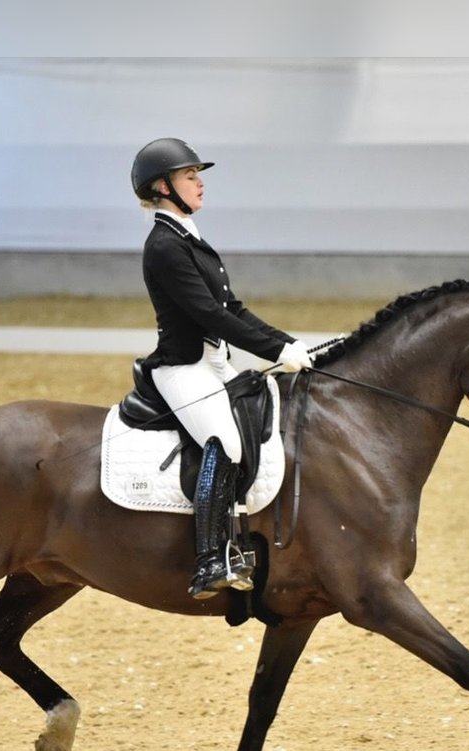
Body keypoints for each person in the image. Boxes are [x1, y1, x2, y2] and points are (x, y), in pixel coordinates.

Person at [131, 137, 313, 600]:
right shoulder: (165, 246)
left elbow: (232, 307)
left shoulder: (189, 239)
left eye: (197, 174)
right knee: (226, 441)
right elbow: (209, 316)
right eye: (190, 176)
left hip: (215, 364)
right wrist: (274, 352)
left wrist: (285, 342)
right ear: (163, 187)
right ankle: (210, 560)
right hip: (182, 367)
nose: (200, 182)